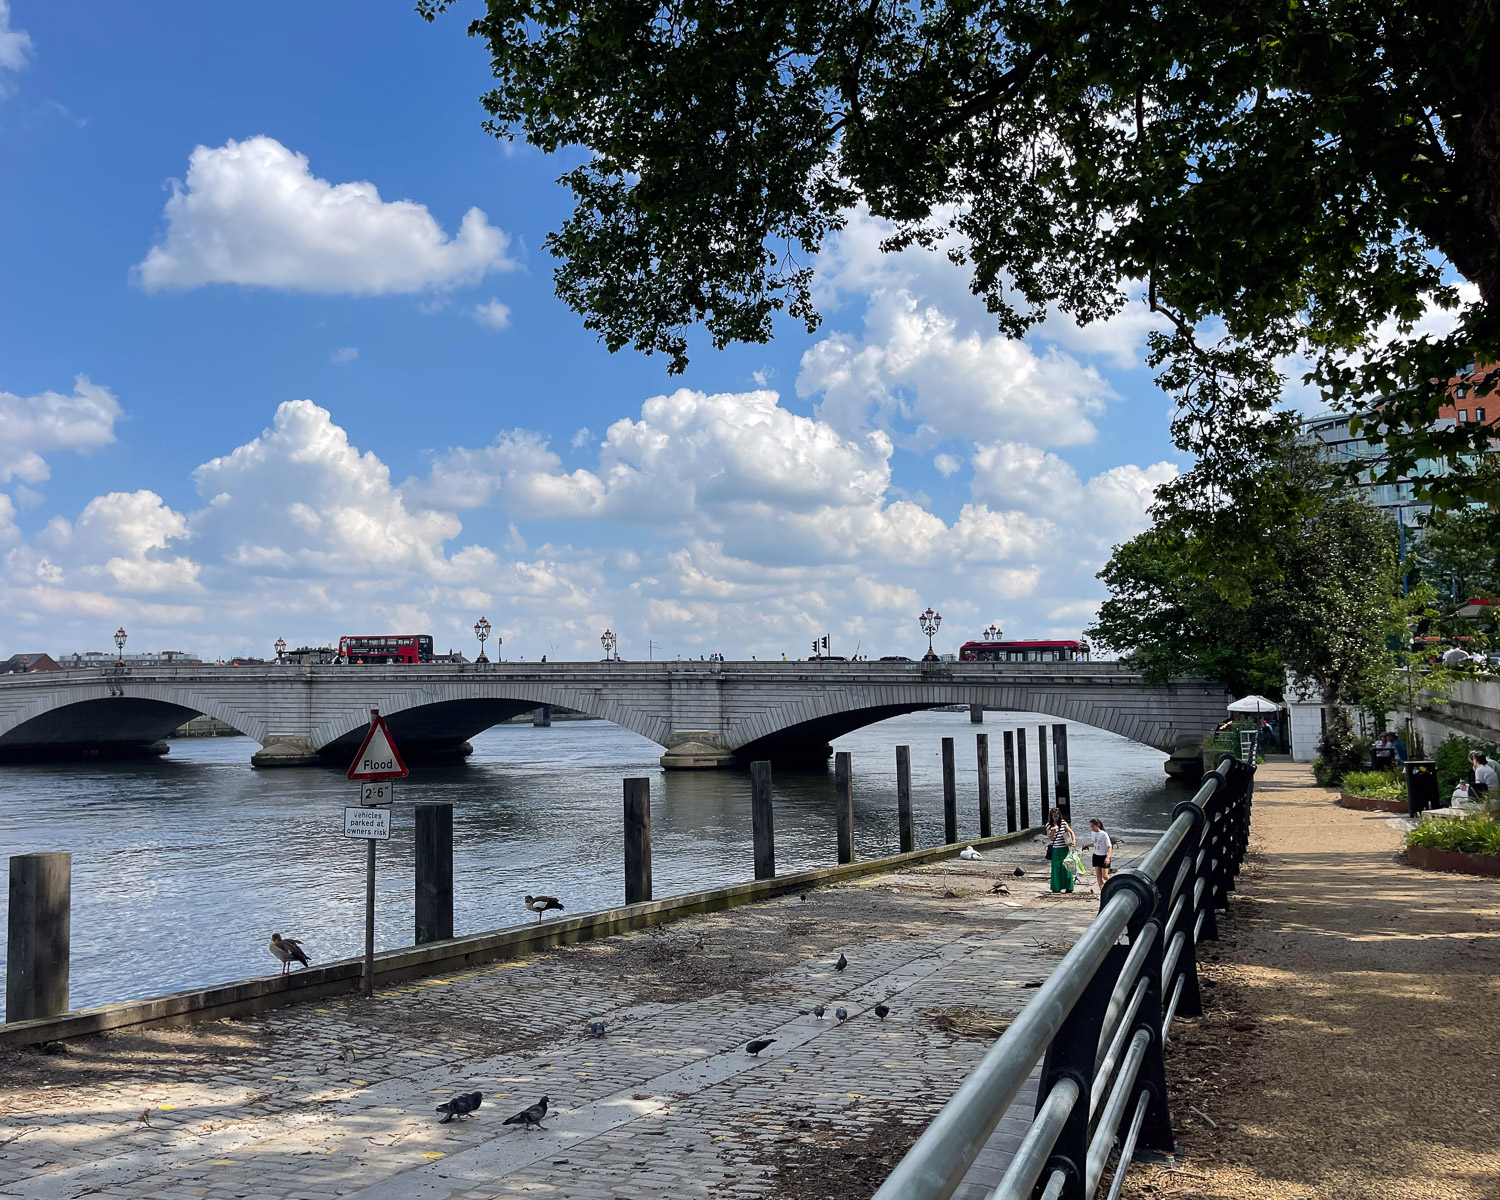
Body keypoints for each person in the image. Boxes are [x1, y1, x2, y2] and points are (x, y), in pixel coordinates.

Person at [1045, 807, 1076, 894]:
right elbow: (1050, 838)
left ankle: (1069, 887)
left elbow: (1071, 832)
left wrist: (1073, 840)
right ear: (1051, 817)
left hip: (1064, 848)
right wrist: (1054, 830)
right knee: (1056, 868)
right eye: (1054, 816)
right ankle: (1056, 887)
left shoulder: (1063, 823)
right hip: (1055, 849)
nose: (1055, 818)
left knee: (1066, 867)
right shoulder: (1049, 825)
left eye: (1057, 816)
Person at [1087, 819, 1113, 889]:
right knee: (1098, 876)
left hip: (1104, 856)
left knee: (1105, 876)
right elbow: (1094, 844)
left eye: (1093, 826)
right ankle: (1102, 890)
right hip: (1096, 855)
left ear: (1098, 825)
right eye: (1091, 826)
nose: (1092, 828)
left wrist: (1108, 857)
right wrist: (1087, 845)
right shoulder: (1092, 833)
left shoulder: (1104, 834)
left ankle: (1112, 884)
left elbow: (1109, 846)